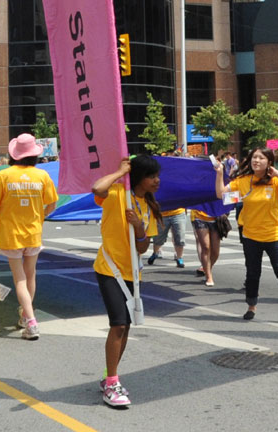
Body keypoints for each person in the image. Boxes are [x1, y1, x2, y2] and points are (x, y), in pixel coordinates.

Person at [94, 156, 162, 408]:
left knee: (126, 327)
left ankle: (108, 377)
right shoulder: (116, 194)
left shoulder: (149, 206)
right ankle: (111, 383)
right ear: (139, 177)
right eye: (151, 176)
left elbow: (142, 247)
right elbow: (96, 188)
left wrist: (139, 228)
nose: (157, 180)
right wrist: (120, 170)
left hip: (132, 274)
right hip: (108, 268)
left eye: (157, 176)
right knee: (119, 324)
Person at [213, 147, 278, 325]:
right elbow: (221, 194)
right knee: (253, 273)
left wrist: (276, 172)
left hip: (274, 234)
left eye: (261, 158)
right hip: (251, 235)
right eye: (254, 157)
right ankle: (251, 306)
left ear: (268, 162)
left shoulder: (275, 182)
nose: (256, 161)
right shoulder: (243, 181)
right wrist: (219, 174)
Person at [0, 133, 58, 341]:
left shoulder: (3, 176)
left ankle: (31, 321)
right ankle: (26, 316)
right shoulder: (42, 176)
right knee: (30, 275)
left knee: (20, 279)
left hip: (11, 232)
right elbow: (52, 204)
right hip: (33, 231)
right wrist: (40, 217)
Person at [148, 203, 190, 269]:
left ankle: (179, 258)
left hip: (178, 213)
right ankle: (155, 253)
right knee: (158, 238)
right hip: (162, 214)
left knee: (180, 236)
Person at [190, 206, 221, 287]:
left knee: (215, 252)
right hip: (199, 217)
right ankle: (208, 276)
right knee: (206, 247)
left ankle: (207, 268)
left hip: (216, 217)